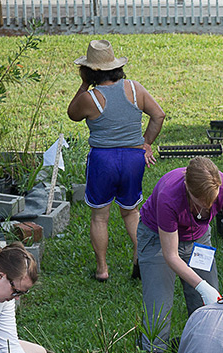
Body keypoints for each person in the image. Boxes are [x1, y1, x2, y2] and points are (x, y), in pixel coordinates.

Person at [67, 40, 165, 283]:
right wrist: (146, 142)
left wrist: (83, 85)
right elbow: (158, 115)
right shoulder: (135, 89)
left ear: (89, 71)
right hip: (133, 158)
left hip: (103, 160)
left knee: (100, 217)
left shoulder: (91, 98)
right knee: (131, 212)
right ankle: (140, 256)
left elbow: (72, 114)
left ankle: (102, 269)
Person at [137, 157, 223, 353]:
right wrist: (202, 286)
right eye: (200, 204)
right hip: (157, 240)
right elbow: (171, 255)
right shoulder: (170, 196)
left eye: (211, 203)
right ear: (188, 189)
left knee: (209, 311)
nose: (206, 209)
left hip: (198, 241)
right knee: (158, 315)